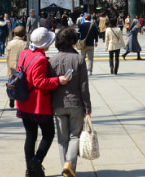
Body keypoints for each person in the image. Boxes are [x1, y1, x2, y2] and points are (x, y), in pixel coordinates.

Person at [17, 28, 71, 177]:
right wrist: (57, 80)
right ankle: (36, 161)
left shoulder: (24, 53)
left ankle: (30, 170)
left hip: (23, 101)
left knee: (30, 136)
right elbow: (39, 82)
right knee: (48, 134)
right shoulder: (40, 59)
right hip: (38, 104)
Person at [49, 27, 92, 177]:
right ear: (73, 41)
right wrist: (87, 106)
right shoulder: (79, 59)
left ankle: (64, 168)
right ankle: (70, 165)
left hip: (58, 103)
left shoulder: (52, 60)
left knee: (62, 139)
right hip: (75, 103)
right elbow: (84, 86)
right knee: (75, 136)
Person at [6, 25, 29, 109]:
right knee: (20, 83)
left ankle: (11, 97)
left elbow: (7, 56)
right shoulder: (25, 44)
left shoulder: (10, 43)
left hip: (11, 66)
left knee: (11, 82)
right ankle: (19, 98)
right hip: (21, 67)